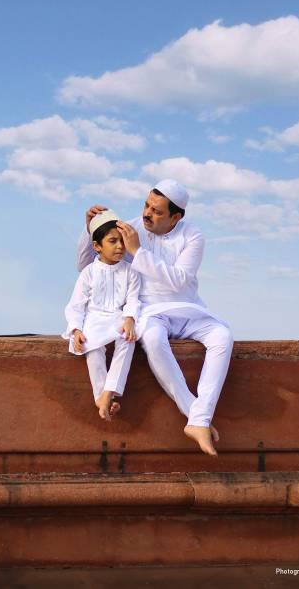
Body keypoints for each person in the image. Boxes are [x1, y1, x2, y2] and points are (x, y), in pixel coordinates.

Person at [76, 179, 234, 456]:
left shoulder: (193, 236)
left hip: (187, 308)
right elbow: (91, 269)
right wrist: (87, 228)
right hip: (148, 311)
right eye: (147, 205)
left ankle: (198, 419)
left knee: (223, 336)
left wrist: (137, 251)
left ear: (176, 217)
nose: (147, 213)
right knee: (152, 338)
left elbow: (179, 282)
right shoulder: (131, 227)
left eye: (157, 211)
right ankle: (197, 418)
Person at [63, 209, 141, 421]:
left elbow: (134, 299)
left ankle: (110, 390)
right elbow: (76, 305)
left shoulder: (131, 271)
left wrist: (129, 318)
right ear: (97, 246)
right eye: (112, 241)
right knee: (92, 348)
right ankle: (100, 396)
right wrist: (76, 329)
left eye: (122, 241)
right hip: (94, 320)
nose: (120, 247)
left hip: (118, 318)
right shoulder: (89, 272)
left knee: (128, 339)